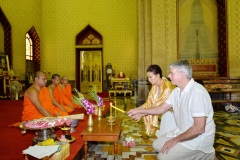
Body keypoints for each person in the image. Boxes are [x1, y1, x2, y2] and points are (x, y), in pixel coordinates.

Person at [128, 60, 216, 160]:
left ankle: (205, 154)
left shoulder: (197, 92)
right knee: (157, 145)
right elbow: (161, 109)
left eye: (172, 73)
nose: (169, 76)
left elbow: (199, 128)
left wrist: (175, 140)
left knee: (163, 157)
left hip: (198, 139)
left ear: (182, 74)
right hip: (182, 131)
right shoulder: (177, 91)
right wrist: (140, 111)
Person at [134, 64, 176, 136]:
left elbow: (160, 109)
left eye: (150, 77)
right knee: (164, 138)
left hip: (173, 116)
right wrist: (136, 110)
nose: (149, 79)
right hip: (165, 115)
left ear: (158, 75)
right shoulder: (155, 87)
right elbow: (149, 103)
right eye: (148, 77)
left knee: (169, 138)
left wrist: (141, 113)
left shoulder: (167, 87)